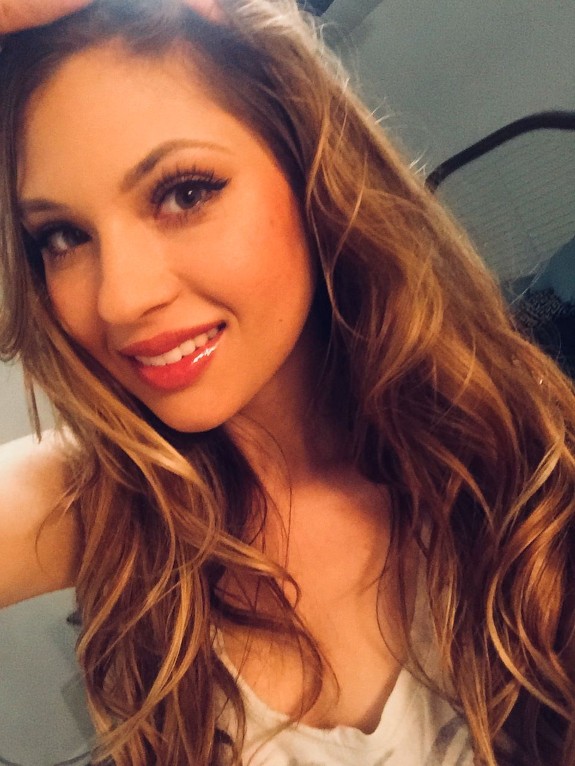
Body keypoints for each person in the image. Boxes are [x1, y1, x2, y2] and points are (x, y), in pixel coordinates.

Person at [0, 1, 574, 764]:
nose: (119, 299)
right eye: (62, 236)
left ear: (311, 172)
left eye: (184, 192)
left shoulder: (520, 446)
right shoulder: (102, 500)